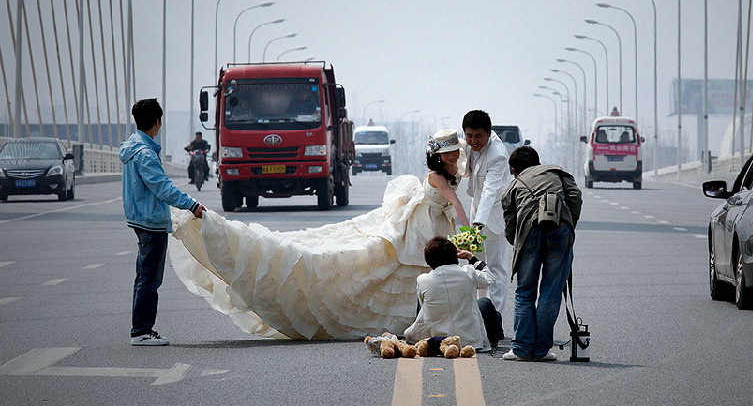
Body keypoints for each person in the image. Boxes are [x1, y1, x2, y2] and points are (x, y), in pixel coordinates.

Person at [165, 129, 471, 340]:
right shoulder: (436, 176)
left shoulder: (452, 170)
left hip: (433, 223)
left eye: (456, 152)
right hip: (423, 224)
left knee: (420, 270)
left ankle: (430, 319)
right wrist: (471, 232)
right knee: (389, 263)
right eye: (450, 153)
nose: (455, 156)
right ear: (438, 156)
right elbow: (456, 203)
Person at [119, 99, 206, 346]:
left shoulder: (132, 147)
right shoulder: (145, 153)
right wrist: (192, 205)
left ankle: (141, 329)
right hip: (150, 220)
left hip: (140, 217)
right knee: (149, 277)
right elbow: (162, 187)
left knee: (144, 275)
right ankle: (142, 331)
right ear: (158, 122)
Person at [501, 146, 582, 361]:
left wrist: (517, 243)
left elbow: (510, 222)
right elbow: (575, 196)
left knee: (525, 291)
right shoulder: (557, 173)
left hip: (529, 233)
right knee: (551, 291)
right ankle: (541, 350)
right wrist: (567, 224)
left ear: (514, 170)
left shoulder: (514, 184)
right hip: (560, 228)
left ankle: (521, 349)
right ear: (538, 163)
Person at [403, 236, 501, 351]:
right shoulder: (468, 273)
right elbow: (490, 278)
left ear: (429, 261)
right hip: (469, 340)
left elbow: (423, 307)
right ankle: (494, 338)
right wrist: (471, 257)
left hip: (438, 340)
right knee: (485, 302)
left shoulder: (423, 280)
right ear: (455, 256)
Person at [461, 110, 513, 317]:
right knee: (476, 266)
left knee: (495, 268)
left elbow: (491, 191)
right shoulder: (469, 145)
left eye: (478, 136)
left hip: (493, 217)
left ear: (489, 133)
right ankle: (479, 316)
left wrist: (477, 224)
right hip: (477, 211)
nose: (473, 141)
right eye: (469, 136)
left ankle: (497, 319)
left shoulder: (498, 154)